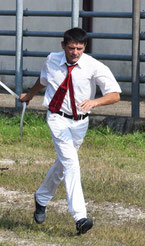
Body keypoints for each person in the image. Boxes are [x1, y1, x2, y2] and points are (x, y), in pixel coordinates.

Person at [19, 27, 121, 235]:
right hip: (57, 118)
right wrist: (29, 95)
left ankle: (41, 197)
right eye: (71, 48)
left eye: (79, 48)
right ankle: (80, 217)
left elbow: (115, 94)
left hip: (80, 123)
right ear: (63, 46)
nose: (75, 52)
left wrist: (95, 102)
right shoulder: (52, 60)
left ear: (85, 48)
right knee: (72, 164)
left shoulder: (93, 66)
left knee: (64, 163)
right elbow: (44, 80)